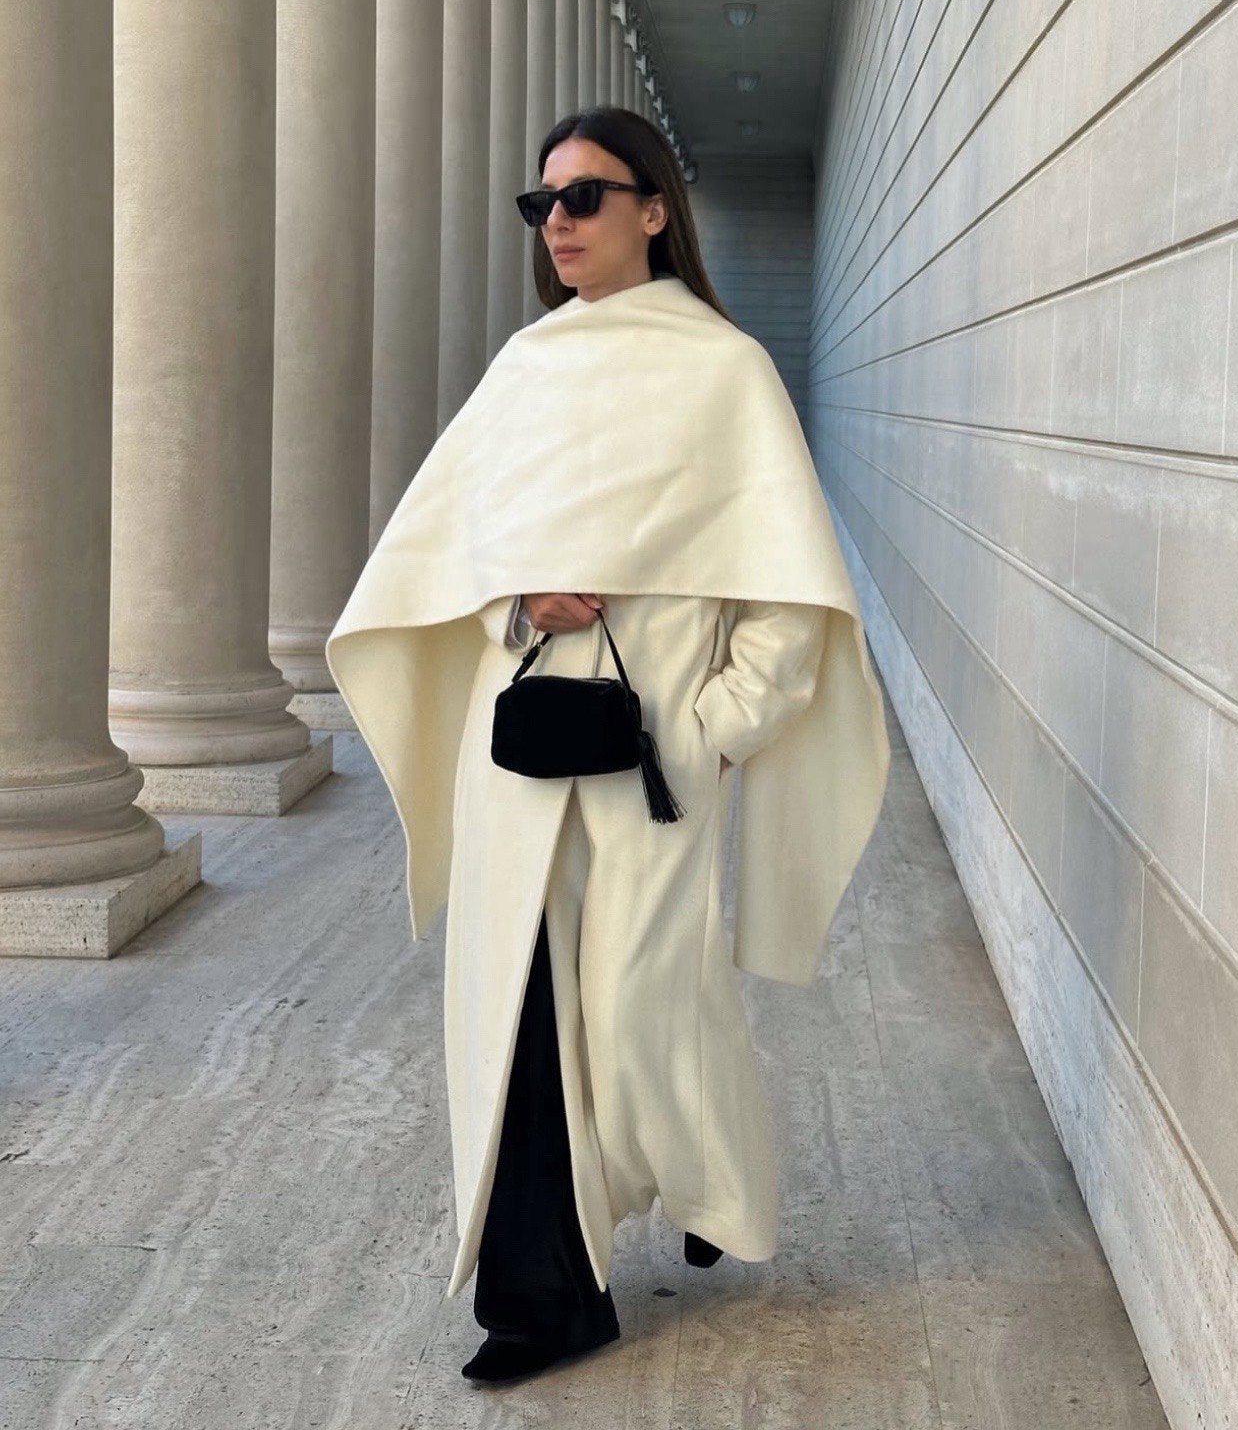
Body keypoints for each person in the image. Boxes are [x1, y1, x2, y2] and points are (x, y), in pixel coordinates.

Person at [325, 107, 890, 1388]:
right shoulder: (525, 369)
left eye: (584, 197)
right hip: (519, 752)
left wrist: (715, 730)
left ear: (654, 209)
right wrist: (522, 602)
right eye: (543, 205)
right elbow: (448, 556)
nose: (560, 224)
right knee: (520, 1017)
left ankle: (702, 1179)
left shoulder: (726, 372)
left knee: (646, 1007)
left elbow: (791, 603)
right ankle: (546, 1299)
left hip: (655, 764)